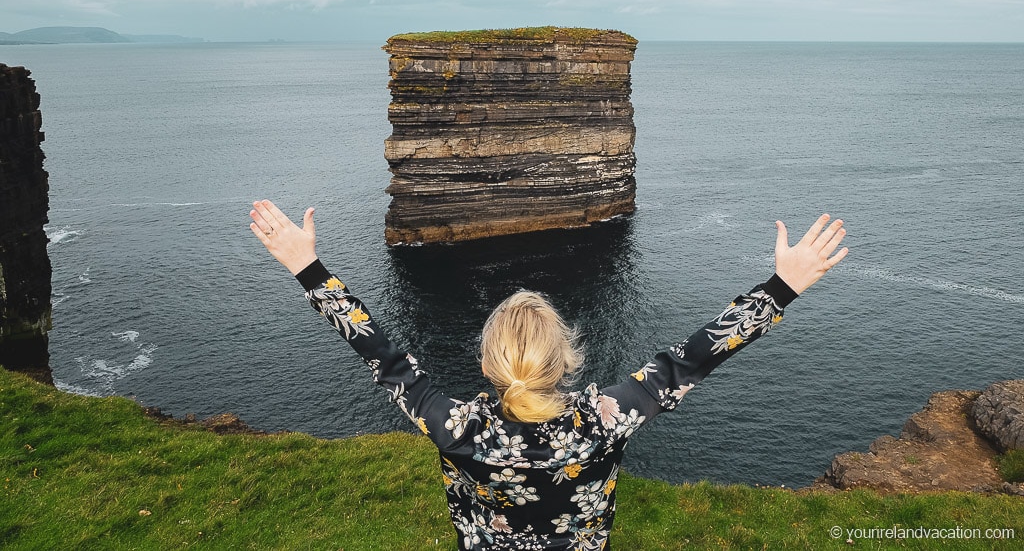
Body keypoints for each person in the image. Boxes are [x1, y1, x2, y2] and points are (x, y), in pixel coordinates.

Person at [249, 200, 848, 550]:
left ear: (486, 364)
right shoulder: (604, 420)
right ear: (569, 361)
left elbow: (381, 354)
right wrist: (783, 285)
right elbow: (693, 357)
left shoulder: (454, 426)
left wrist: (306, 266)